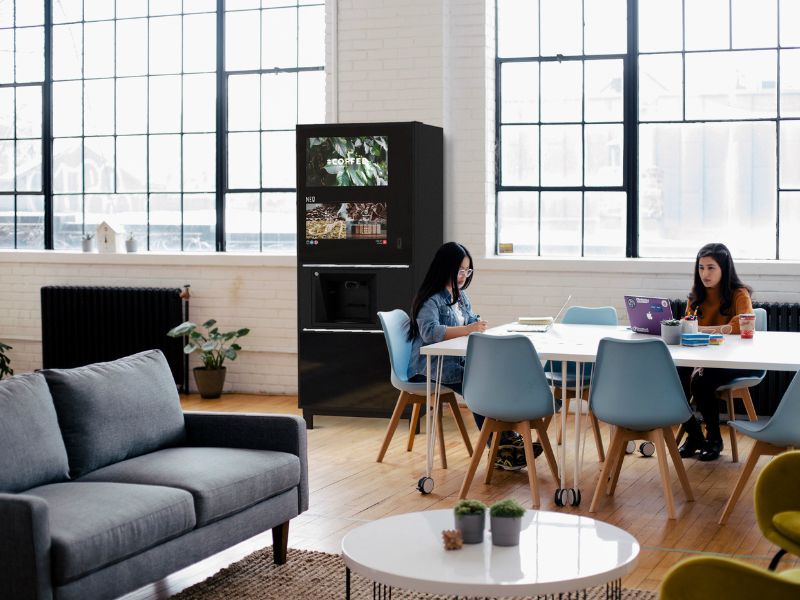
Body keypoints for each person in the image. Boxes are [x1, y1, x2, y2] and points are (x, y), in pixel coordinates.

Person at [407, 241, 540, 470]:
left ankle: (507, 444)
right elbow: (430, 333)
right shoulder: (431, 299)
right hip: (429, 368)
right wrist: (468, 329)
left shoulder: (461, 296)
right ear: (444, 267)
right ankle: (500, 447)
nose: (463, 276)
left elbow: (469, 321)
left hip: (456, 362)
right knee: (481, 385)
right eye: (459, 270)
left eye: (467, 271)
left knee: (494, 378)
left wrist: (475, 324)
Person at [678, 242, 756, 462]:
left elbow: (742, 324)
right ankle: (694, 435)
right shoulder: (695, 296)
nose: (705, 273)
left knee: (700, 382)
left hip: (733, 360)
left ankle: (714, 439)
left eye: (711, 267)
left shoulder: (739, 294)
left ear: (724, 268)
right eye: (701, 268)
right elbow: (687, 325)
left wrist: (703, 329)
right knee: (673, 377)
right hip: (700, 356)